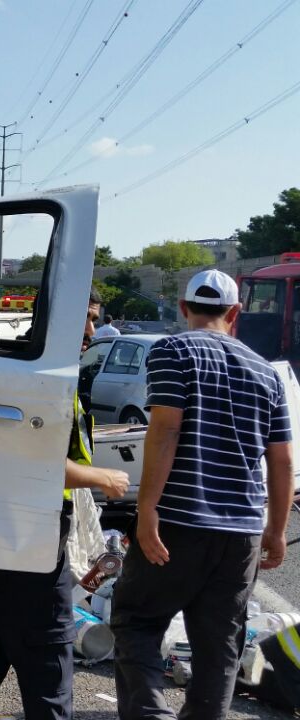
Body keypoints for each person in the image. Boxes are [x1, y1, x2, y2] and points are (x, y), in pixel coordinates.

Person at [111, 269, 293, 719]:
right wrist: (276, 532)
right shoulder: (266, 372)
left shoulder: (174, 350)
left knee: (137, 620)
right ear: (235, 313)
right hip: (242, 533)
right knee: (220, 643)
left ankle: (150, 714)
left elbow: (165, 429)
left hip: (180, 521)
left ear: (183, 308)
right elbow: (283, 461)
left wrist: (147, 508)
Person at [0, 289, 130, 720]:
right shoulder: (42, 376)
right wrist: (102, 477)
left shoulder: (24, 365)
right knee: (48, 659)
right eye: (86, 319)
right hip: (27, 534)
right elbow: (31, 461)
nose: (92, 331)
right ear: (60, 319)